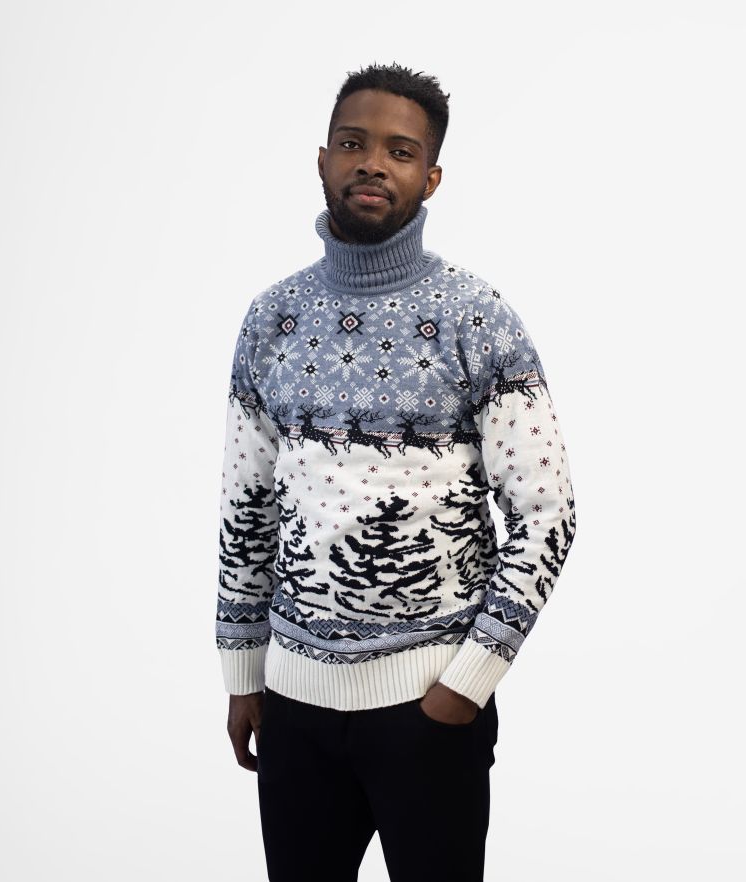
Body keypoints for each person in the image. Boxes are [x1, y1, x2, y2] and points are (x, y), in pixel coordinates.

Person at [216, 61, 577, 882]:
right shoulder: (271, 318)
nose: (372, 163)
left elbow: (547, 513)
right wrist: (243, 670)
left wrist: (469, 681)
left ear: (431, 177)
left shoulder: (477, 319)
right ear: (323, 160)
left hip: (430, 708)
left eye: (400, 151)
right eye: (353, 144)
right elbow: (247, 503)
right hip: (293, 708)